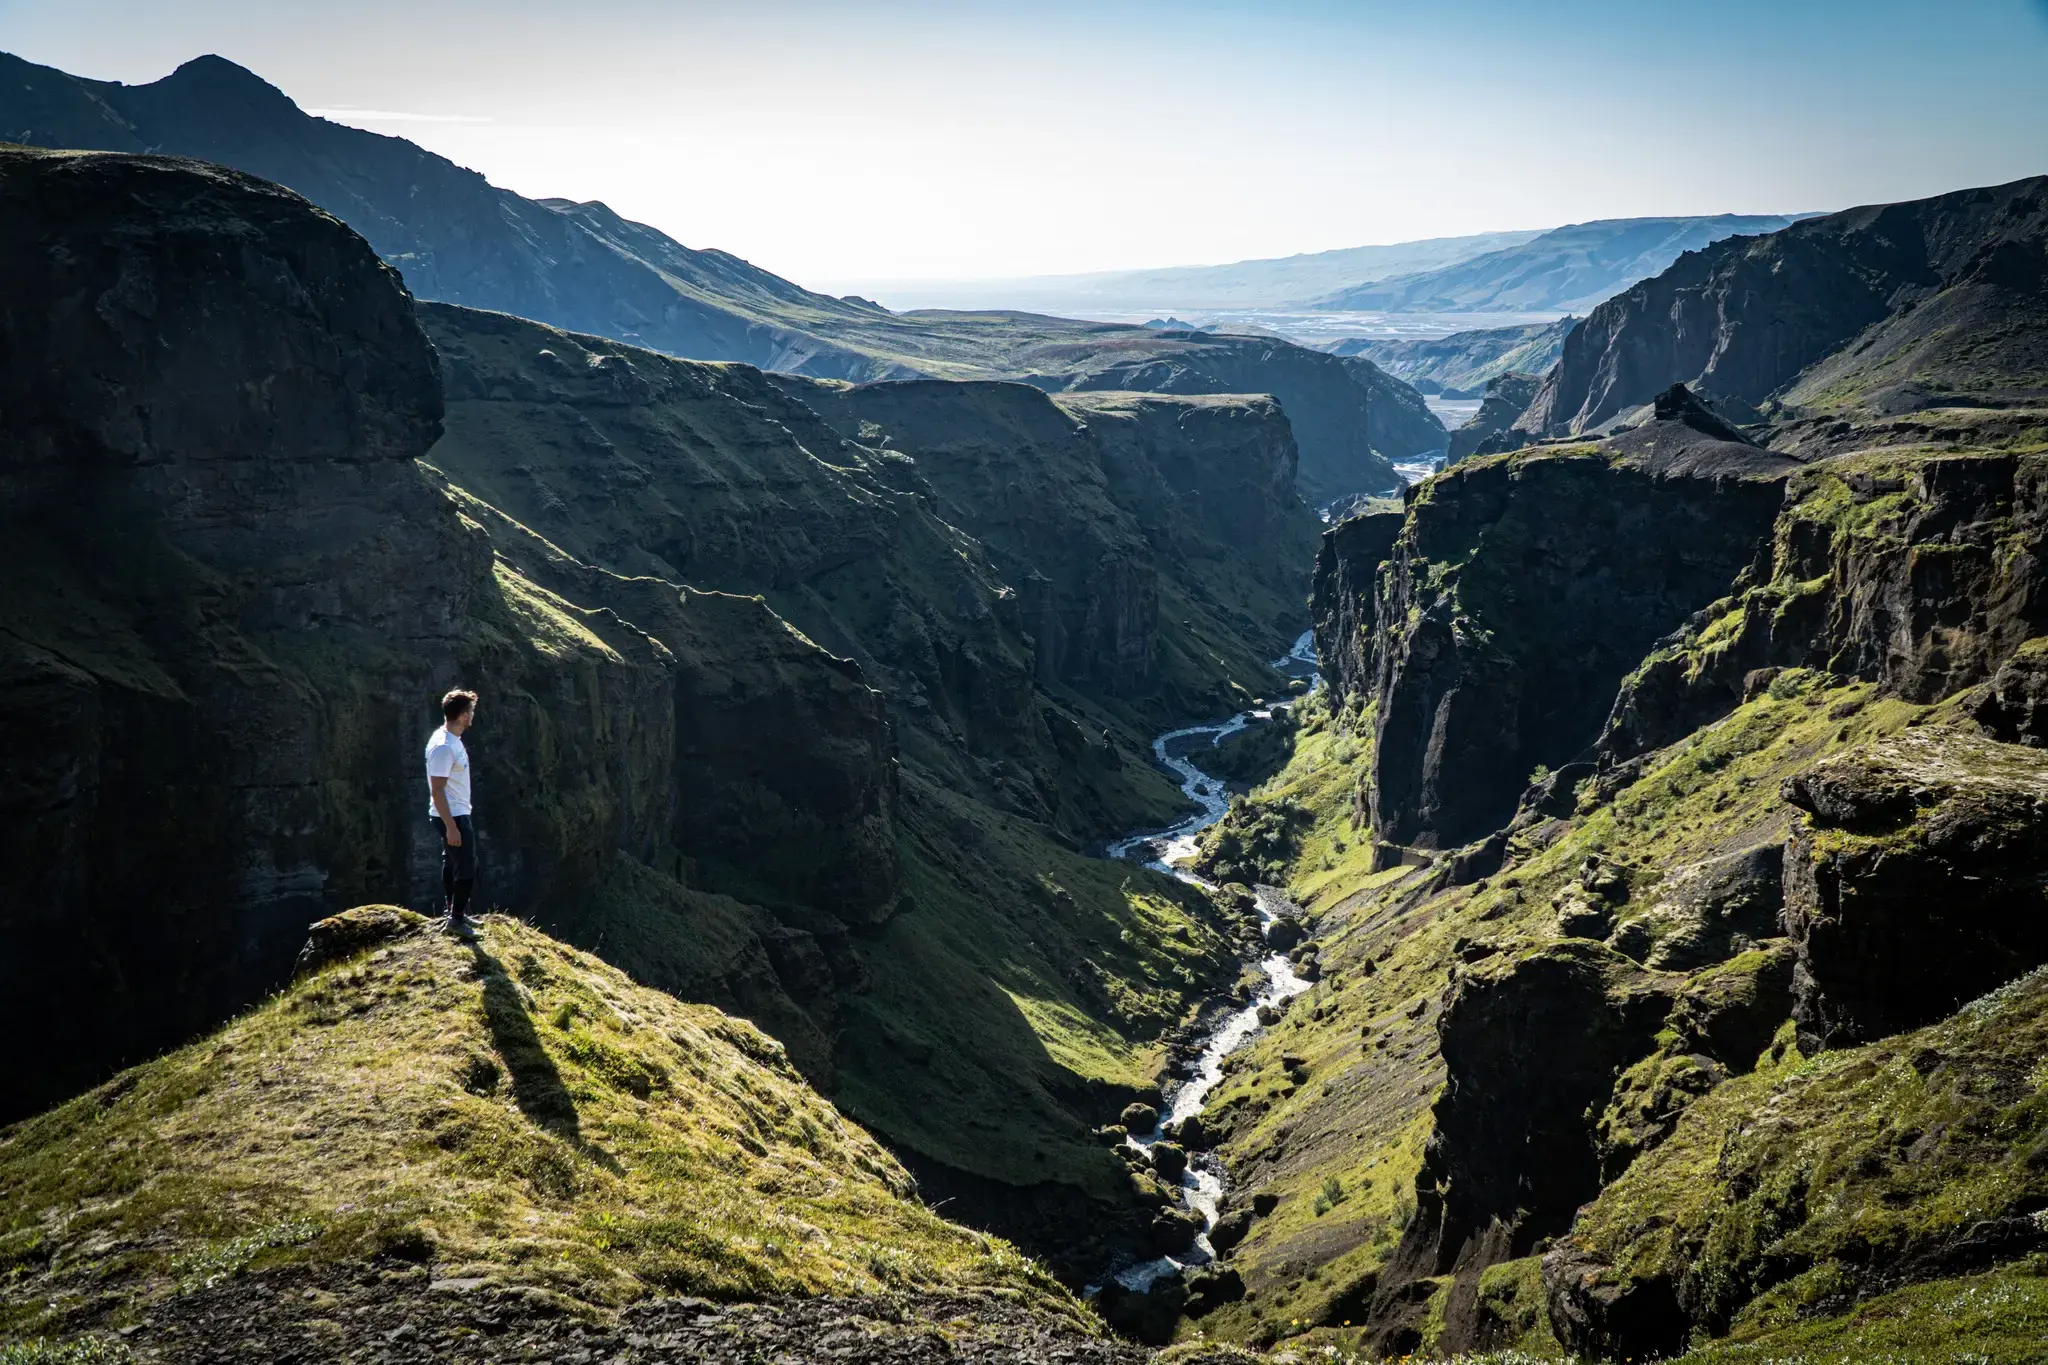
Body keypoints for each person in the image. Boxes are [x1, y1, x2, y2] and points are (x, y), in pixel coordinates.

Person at [425, 689, 480, 935]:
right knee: (468, 866)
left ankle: (455, 912)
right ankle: (456, 920)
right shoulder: (443, 747)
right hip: (452, 815)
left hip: (455, 812)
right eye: (470, 711)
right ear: (460, 715)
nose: (472, 715)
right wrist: (451, 826)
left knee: (452, 863)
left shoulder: (450, 739)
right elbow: (437, 790)